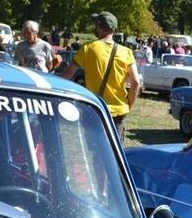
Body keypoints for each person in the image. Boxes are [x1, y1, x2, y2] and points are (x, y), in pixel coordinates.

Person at [60, 11, 141, 141]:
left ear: (99, 26)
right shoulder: (126, 52)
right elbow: (136, 83)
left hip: (95, 109)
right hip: (118, 112)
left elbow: (68, 74)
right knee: (115, 154)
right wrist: (128, 105)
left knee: (96, 152)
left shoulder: (88, 48)